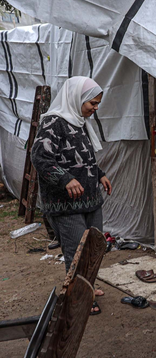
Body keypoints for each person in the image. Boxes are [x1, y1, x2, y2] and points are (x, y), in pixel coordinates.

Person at [32, 76, 112, 315]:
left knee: (94, 247)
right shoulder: (52, 123)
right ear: (77, 99)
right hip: (65, 204)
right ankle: (79, 298)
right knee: (76, 250)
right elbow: (41, 158)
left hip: (89, 199)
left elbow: (82, 158)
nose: (95, 109)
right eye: (92, 103)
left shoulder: (78, 121)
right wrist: (65, 179)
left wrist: (99, 174)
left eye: (97, 103)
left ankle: (86, 286)